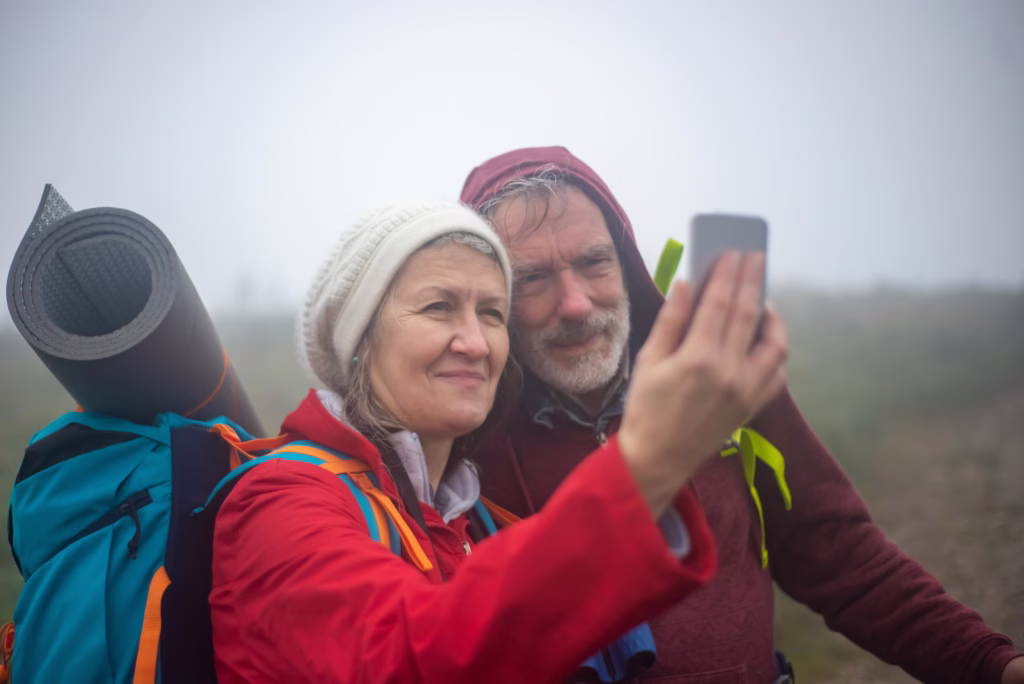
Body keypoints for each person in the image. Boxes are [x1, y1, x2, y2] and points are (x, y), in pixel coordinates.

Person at [460, 146, 1024, 684]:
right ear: (492, 297)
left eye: (594, 262)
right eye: (532, 278)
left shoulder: (719, 376)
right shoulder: (462, 444)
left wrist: (990, 665)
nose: (577, 303)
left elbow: (835, 551)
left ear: (626, 262)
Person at [207, 201, 789, 683]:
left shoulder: (474, 522)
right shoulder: (283, 498)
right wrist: (645, 465)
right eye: (439, 307)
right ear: (357, 339)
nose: (476, 343)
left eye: (491, 313)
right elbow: (400, 658)